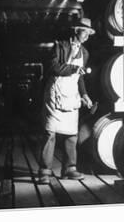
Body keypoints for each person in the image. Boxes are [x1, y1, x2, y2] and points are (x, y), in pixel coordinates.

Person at [38, 18, 95, 184]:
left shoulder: (85, 53)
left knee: (72, 134)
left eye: (89, 33)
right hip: (55, 92)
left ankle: (69, 168)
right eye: (85, 32)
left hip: (71, 93)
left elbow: (80, 78)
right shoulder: (60, 46)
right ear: (77, 30)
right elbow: (53, 67)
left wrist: (84, 95)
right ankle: (44, 171)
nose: (87, 36)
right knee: (50, 132)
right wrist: (74, 68)